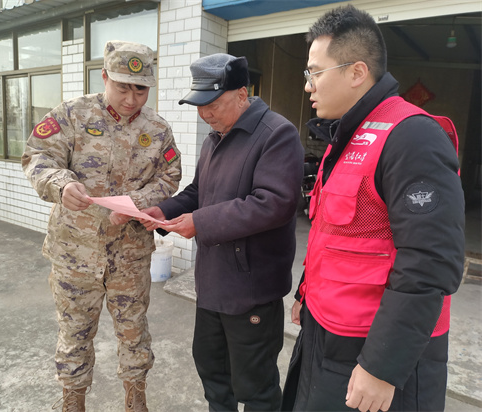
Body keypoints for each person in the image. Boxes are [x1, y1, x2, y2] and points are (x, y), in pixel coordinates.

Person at [280, 5, 465, 412]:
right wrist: (306, 292)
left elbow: (431, 261)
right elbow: (333, 230)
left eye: (314, 71)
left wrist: (382, 366)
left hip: (372, 348)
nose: (307, 85)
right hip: (326, 333)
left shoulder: (412, 137)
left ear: (356, 72)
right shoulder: (344, 137)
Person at [21, 40, 181, 412]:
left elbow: (170, 176)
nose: (131, 98)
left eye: (140, 89)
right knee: (74, 333)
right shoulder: (72, 115)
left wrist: (136, 204)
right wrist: (62, 184)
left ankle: (135, 399)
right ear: (105, 76)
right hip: (76, 255)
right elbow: (37, 156)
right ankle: (73, 401)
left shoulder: (157, 129)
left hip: (130, 254)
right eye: (123, 86)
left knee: (133, 332)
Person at [139, 53, 304, 411]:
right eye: (200, 105)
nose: (205, 114)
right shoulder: (214, 138)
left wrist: (201, 222)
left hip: (251, 289)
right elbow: (199, 191)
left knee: (256, 387)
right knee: (214, 376)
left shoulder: (277, 135)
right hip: (212, 284)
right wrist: (164, 210)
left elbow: (274, 203)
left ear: (242, 95)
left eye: (213, 104)